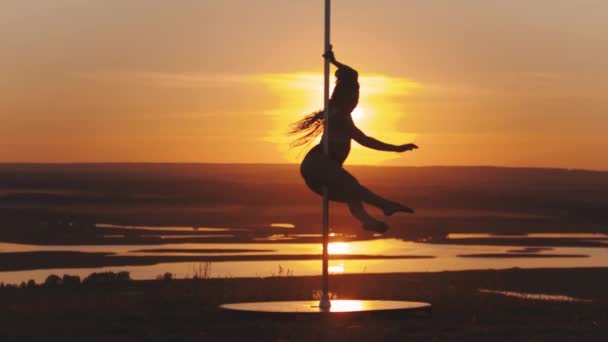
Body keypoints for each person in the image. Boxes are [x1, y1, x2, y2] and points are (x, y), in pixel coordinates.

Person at [289, 47, 418, 233]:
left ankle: (369, 222)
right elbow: (364, 140)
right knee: (352, 186)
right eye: (354, 96)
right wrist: (396, 149)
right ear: (346, 97)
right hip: (319, 165)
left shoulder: (336, 111)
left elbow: (351, 75)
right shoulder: (339, 115)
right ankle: (385, 205)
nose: (357, 100)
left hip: (322, 169)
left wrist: (334, 61)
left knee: (352, 193)